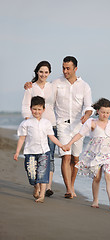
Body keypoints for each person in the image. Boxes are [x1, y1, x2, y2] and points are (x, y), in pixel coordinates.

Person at [62, 98, 110, 210]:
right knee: (97, 178)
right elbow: (80, 134)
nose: (105, 115)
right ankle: (95, 200)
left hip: (109, 156)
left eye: (107, 112)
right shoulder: (91, 123)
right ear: (98, 111)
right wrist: (69, 143)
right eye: (103, 112)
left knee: (109, 176)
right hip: (94, 155)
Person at [52, 56, 93, 199]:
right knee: (66, 157)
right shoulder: (56, 83)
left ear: (75, 69)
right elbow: (45, 94)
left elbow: (89, 107)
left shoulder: (84, 86)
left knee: (76, 159)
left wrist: (87, 115)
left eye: (68, 68)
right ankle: (68, 189)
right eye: (63, 68)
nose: (65, 71)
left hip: (78, 126)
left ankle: (72, 185)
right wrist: (30, 85)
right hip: (62, 124)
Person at [14, 96, 64, 203]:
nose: (37, 112)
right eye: (34, 109)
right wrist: (17, 152)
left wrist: (61, 145)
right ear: (31, 109)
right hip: (30, 153)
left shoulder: (46, 123)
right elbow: (22, 138)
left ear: (44, 110)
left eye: (39, 109)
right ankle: (36, 187)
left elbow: (52, 137)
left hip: (44, 152)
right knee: (32, 175)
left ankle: (42, 196)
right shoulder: (26, 123)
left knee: (42, 174)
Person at [22, 61, 56, 197]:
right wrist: (28, 121)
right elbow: (25, 106)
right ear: (37, 72)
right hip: (34, 127)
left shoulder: (53, 86)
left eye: (46, 72)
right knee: (35, 156)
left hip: (51, 124)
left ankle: (47, 187)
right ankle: (36, 186)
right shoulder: (31, 87)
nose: (43, 74)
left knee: (50, 157)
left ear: (49, 73)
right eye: (41, 71)